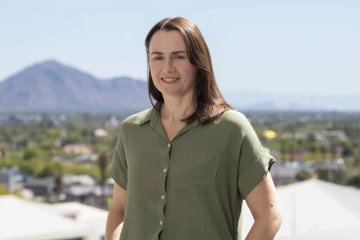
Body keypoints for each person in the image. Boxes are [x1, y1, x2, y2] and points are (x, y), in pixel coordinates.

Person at [106, 17, 282, 240]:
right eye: (157, 57)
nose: (167, 67)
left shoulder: (232, 129)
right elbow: (118, 210)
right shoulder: (132, 131)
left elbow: (270, 215)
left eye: (179, 56)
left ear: (199, 62)